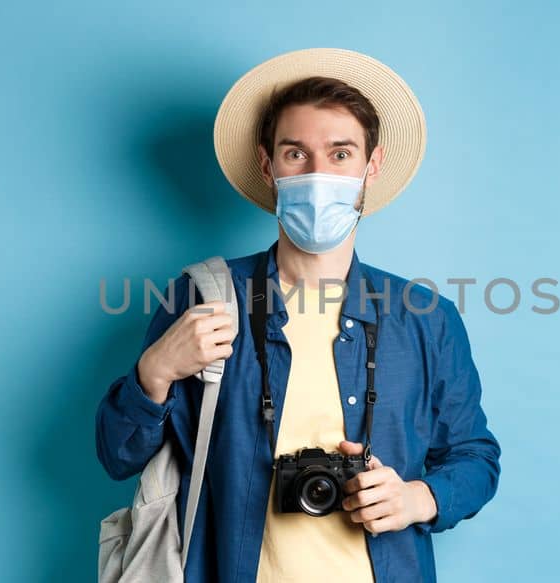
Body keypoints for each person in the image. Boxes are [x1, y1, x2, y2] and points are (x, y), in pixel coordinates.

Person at [95, 48, 501, 583]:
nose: (317, 174)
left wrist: (418, 497)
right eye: (296, 154)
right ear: (268, 165)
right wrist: (155, 373)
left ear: (370, 168)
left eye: (339, 155)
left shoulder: (426, 319)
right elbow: (119, 457)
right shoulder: (204, 296)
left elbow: (475, 457)